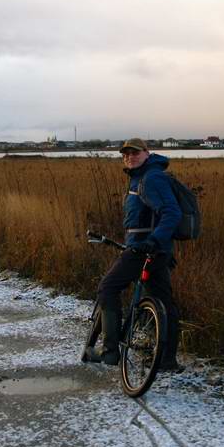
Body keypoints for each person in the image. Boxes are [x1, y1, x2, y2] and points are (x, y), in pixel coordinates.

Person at [86, 138, 183, 371]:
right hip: (157, 250)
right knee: (164, 303)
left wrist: (152, 241)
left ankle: (110, 351)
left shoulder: (151, 178)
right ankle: (167, 360)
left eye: (135, 153)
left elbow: (172, 212)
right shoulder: (143, 177)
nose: (129, 157)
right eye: (126, 154)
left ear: (147, 153)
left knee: (107, 288)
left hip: (144, 249)